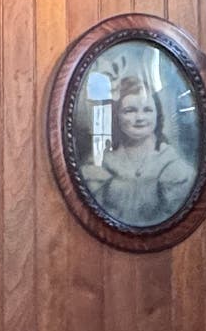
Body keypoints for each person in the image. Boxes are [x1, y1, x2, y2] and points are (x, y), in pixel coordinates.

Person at [79, 57, 196, 227]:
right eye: (130, 111)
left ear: (157, 115)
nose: (140, 118)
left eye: (147, 110)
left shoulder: (172, 166)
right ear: (117, 117)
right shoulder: (100, 166)